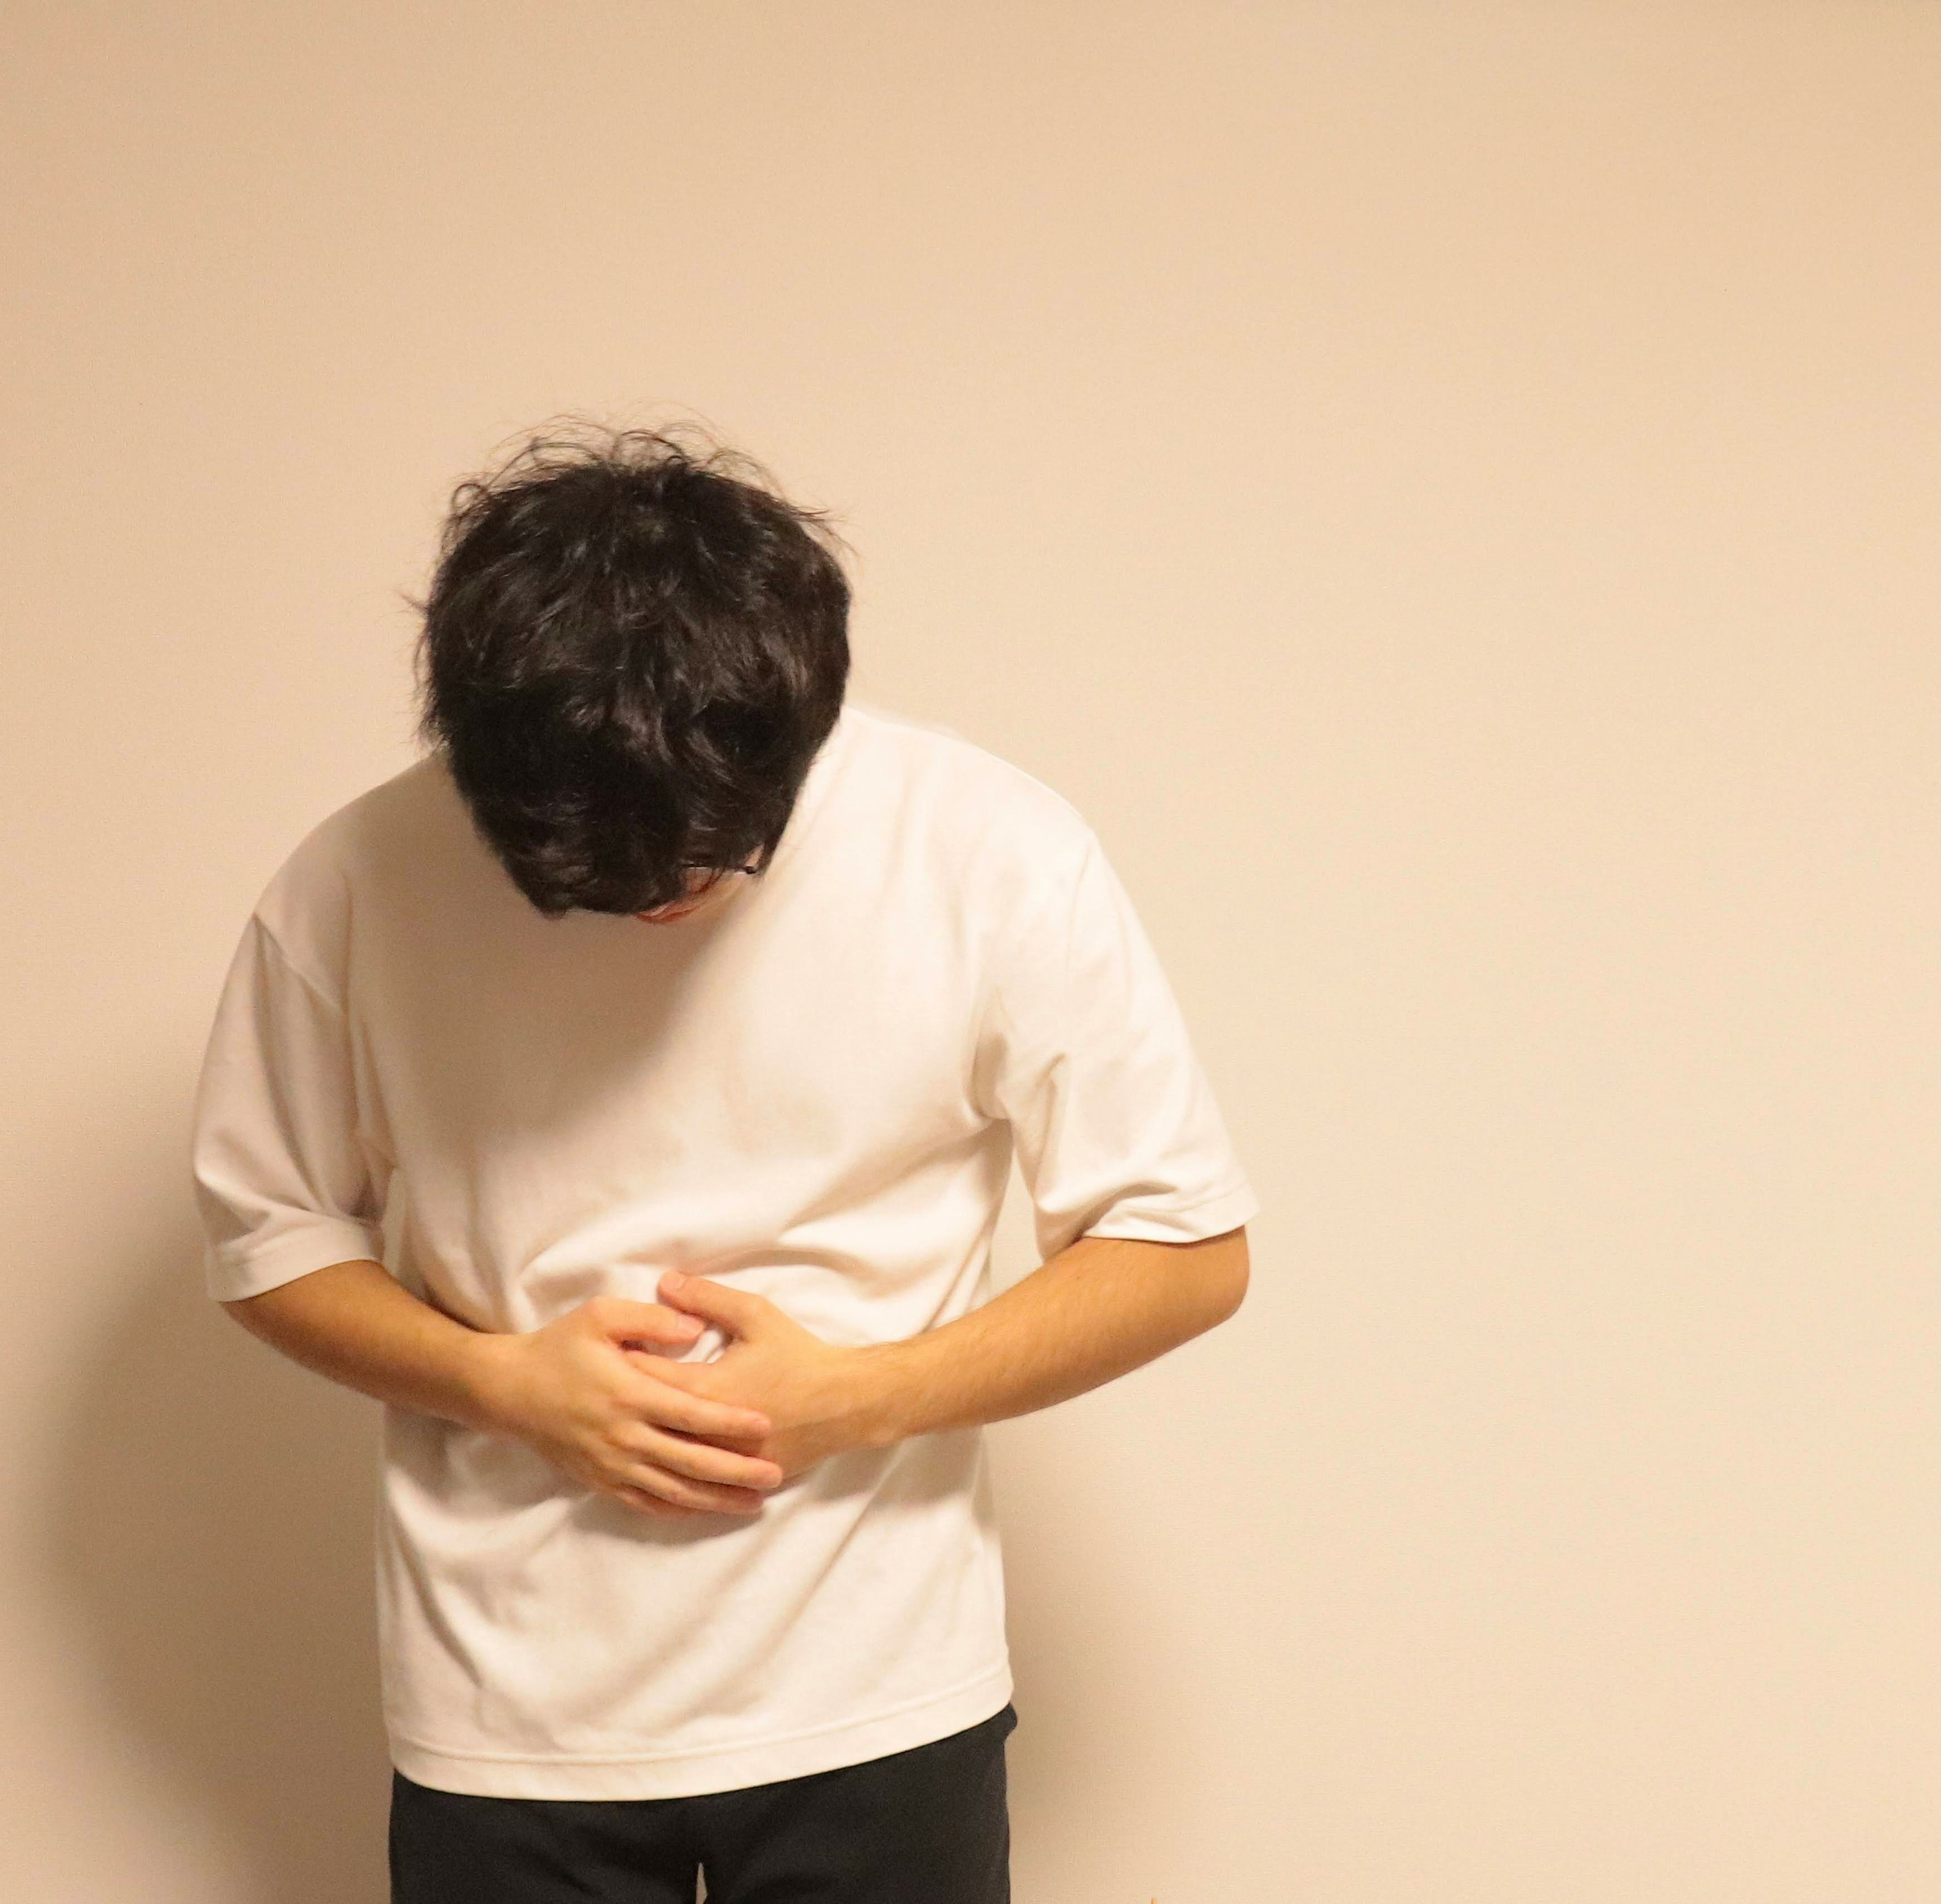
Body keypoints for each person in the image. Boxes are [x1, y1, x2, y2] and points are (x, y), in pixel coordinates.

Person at [187, 420, 1259, 1903]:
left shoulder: (990, 849)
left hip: (881, 1697)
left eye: (710, 852)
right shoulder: (350, 884)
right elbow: (269, 1238)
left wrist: (860, 1395)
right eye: (594, 876)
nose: (662, 900)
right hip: (505, 1720)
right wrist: (503, 1380)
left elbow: (1187, 1245)